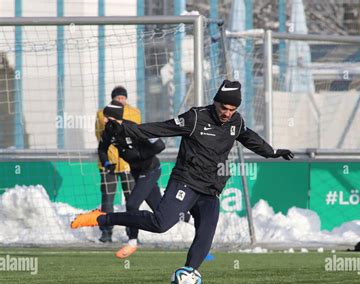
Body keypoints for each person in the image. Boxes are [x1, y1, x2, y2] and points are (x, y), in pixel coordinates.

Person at [72, 80, 294, 271]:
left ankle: (187, 274)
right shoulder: (196, 117)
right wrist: (125, 129)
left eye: (232, 109)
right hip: (185, 182)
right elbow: (159, 129)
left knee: (206, 234)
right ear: (216, 101)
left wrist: (272, 152)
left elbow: (249, 137)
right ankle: (103, 217)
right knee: (160, 223)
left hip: (210, 189)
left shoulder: (236, 122)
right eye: (224, 107)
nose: (227, 113)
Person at [99, 100, 166, 259]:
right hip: (137, 172)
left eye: (107, 118)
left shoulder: (133, 128)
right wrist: (107, 163)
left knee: (131, 204)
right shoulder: (109, 131)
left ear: (116, 118)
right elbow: (102, 149)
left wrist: (141, 156)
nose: (105, 121)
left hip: (150, 170)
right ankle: (193, 221)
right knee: (161, 210)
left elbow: (160, 145)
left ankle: (132, 241)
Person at [95, 86, 141, 243]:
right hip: (108, 164)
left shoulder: (134, 113)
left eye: (123, 97)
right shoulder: (101, 114)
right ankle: (106, 232)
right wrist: (108, 157)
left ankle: (132, 233)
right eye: (118, 98)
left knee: (132, 200)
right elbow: (99, 136)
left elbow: (136, 135)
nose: (120, 100)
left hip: (128, 164)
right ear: (112, 98)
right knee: (107, 199)